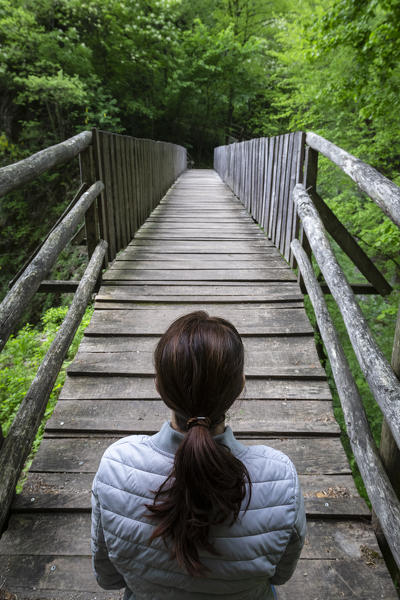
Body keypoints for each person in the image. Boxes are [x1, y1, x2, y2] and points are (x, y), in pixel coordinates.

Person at [91, 311, 306, 599]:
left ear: (159, 388)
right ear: (240, 385)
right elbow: (280, 574)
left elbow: (108, 577)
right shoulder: (281, 478)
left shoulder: (116, 467)